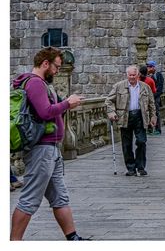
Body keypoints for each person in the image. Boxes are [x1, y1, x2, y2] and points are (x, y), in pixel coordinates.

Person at [10, 46, 88, 241]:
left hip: (51, 149)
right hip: (41, 150)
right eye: (56, 67)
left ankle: (73, 238)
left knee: (60, 197)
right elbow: (45, 112)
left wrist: (65, 104)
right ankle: (14, 242)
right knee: (29, 200)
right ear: (45, 63)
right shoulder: (35, 83)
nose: (57, 71)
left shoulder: (43, 83)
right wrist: (67, 104)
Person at [104, 65, 156, 176]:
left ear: (138, 75)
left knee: (142, 141)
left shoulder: (145, 87)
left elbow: (152, 103)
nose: (132, 77)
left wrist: (153, 117)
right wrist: (111, 112)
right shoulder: (119, 86)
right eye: (130, 75)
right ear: (127, 75)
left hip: (140, 116)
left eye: (134, 75)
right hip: (124, 116)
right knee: (126, 144)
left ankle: (140, 167)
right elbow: (108, 101)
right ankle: (131, 167)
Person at [147, 61, 164, 134]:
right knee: (148, 113)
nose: (149, 68)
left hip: (155, 97)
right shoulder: (147, 76)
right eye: (148, 67)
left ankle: (157, 129)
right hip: (148, 97)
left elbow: (160, 87)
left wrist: (154, 96)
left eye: (150, 67)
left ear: (153, 67)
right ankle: (149, 129)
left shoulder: (158, 75)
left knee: (156, 112)